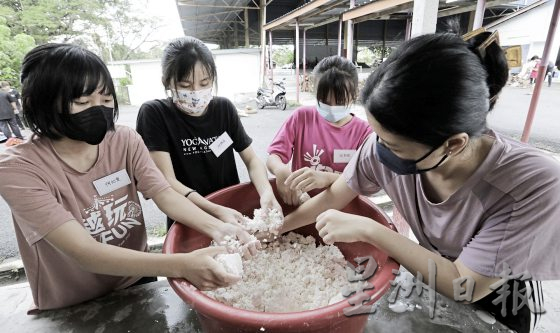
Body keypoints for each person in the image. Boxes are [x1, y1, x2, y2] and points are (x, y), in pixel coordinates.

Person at [280, 31, 560, 333]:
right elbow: (335, 195)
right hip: (428, 278)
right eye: (378, 136)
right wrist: (278, 229)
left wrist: (368, 229)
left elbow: (463, 284)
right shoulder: (385, 144)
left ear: (452, 145)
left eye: (393, 145)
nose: (377, 150)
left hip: (494, 301)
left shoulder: (531, 185)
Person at [0, 44, 258, 312]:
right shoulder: (18, 168)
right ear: (41, 103)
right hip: (71, 300)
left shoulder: (124, 140)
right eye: (83, 102)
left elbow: (165, 194)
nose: (98, 109)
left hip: (137, 276)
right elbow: (84, 252)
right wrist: (181, 264)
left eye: (106, 98)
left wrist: (220, 229)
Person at [136, 36, 281, 230]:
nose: (196, 92)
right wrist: (214, 210)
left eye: (204, 83)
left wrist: (265, 191)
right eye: (185, 86)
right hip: (188, 216)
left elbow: (252, 160)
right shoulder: (155, 114)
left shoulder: (223, 109)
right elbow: (166, 181)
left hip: (232, 210)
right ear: (167, 81)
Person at [266, 55, 372, 206]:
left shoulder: (364, 132)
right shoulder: (302, 117)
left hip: (342, 210)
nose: (332, 107)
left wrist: (327, 178)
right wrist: (280, 170)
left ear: (354, 94)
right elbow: (274, 156)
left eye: (340, 101)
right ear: (315, 92)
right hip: (302, 206)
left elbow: (365, 182)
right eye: (324, 101)